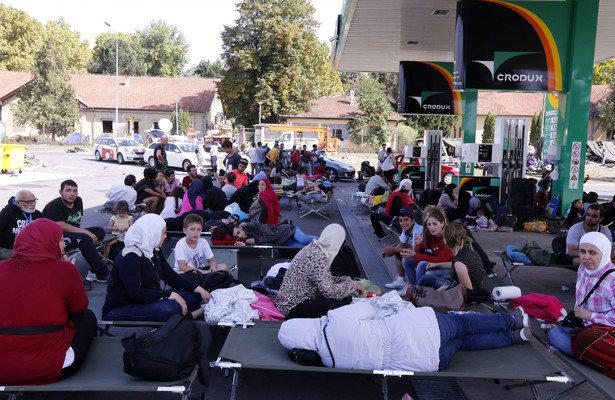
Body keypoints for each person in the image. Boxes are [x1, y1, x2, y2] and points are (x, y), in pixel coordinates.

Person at [278, 301, 530, 372]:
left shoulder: (328, 362)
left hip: (430, 361)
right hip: (417, 330)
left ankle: (515, 337)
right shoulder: (333, 320)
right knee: (461, 323)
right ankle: (512, 320)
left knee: (461, 341)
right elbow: (367, 309)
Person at [0, 218, 97, 385]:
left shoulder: (2, 267)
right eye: (60, 240)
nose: (64, 245)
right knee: (87, 317)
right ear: (48, 242)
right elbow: (79, 308)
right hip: (46, 365)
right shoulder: (64, 270)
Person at [102, 214, 211, 321]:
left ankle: (180, 314)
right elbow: (137, 294)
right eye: (163, 233)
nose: (166, 236)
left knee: (194, 294)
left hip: (150, 299)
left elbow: (171, 276)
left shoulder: (152, 249)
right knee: (169, 308)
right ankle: (190, 316)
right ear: (152, 233)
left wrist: (199, 289)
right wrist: (170, 295)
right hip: (123, 307)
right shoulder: (129, 257)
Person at [274, 224, 364, 319]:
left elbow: (323, 278)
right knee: (329, 305)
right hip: (290, 308)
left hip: (292, 302)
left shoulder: (314, 248)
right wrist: (353, 286)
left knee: (344, 297)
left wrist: (344, 280)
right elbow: (328, 291)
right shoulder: (318, 257)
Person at [548, 232, 615, 357]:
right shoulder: (583, 269)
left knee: (556, 336)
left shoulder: (612, 280)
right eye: (582, 251)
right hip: (584, 328)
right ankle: (590, 355)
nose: (586, 257)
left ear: (605, 252)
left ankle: (590, 355)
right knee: (555, 333)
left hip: (605, 335)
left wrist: (591, 316)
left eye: (593, 252)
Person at [43, 180, 109, 283]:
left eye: (75, 191)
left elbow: (76, 224)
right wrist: (84, 233)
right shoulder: (54, 206)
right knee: (85, 238)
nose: (72, 194)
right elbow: (61, 225)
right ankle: (101, 274)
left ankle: (89, 253)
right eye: (68, 190)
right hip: (58, 238)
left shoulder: (78, 201)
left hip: (74, 234)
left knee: (99, 231)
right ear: (61, 192)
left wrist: (83, 233)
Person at [416, 223, 485, 290]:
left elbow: (467, 292)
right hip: (463, 285)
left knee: (425, 278)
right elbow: (454, 264)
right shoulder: (466, 248)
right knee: (425, 277)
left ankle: (415, 297)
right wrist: (437, 265)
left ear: (447, 240)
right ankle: (416, 295)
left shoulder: (460, 262)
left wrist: (445, 289)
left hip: (465, 292)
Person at [401, 207, 453, 291]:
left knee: (423, 265)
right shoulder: (431, 235)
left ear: (442, 224)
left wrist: (415, 254)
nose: (431, 227)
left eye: (435, 224)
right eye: (429, 224)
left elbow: (441, 259)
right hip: (439, 263)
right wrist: (417, 246)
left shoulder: (447, 237)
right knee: (406, 261)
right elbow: (420, 251)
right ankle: (414, 290)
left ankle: (419, 294)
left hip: (451, 268)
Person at [174, 214, 227, 285]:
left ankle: (200, 281)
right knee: (180, 275)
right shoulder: (180, 244)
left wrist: (213, 268)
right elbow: (182, 267)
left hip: (200, 269)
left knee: (223, 267)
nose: (196, 232)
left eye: (198, 229)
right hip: (186, 272)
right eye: (192, 229)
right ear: (184, 230)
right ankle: (205, 280)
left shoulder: (203, 242)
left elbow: (211, 260)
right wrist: (203, 272)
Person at [382, 207, 423, 290]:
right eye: (401, 220)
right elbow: (400, 245)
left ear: (413, 221)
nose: (403, 223)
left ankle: (412, 287)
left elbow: (415, 250)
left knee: (406, 259)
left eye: (406, 219)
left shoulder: (418, 230)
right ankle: (401, 280)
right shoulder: (406, 229)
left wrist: (393, 249)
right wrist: (391, 251)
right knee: (398, 252)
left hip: (427, 255)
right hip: (420, 253)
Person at [0, 190, 43, 260]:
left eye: (34, 201)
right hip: (8, 248)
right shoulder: (7, 213)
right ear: (18, 203)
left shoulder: (38, 215)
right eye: (29, 202)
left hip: (31, 248)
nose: (33, 204)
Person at [231, 220, 318, 247]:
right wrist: (245, 245)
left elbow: (271, 236)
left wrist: (255, 240)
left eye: (238, 232)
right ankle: (324, 251)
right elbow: (268, 244)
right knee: (302, 248)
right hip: (283, 241)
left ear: (241, 227)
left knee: (303, 239)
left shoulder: (255, 225)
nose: (240, 236)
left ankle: (326, 240)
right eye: (237, 236)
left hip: (288, 230)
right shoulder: (247, 240)